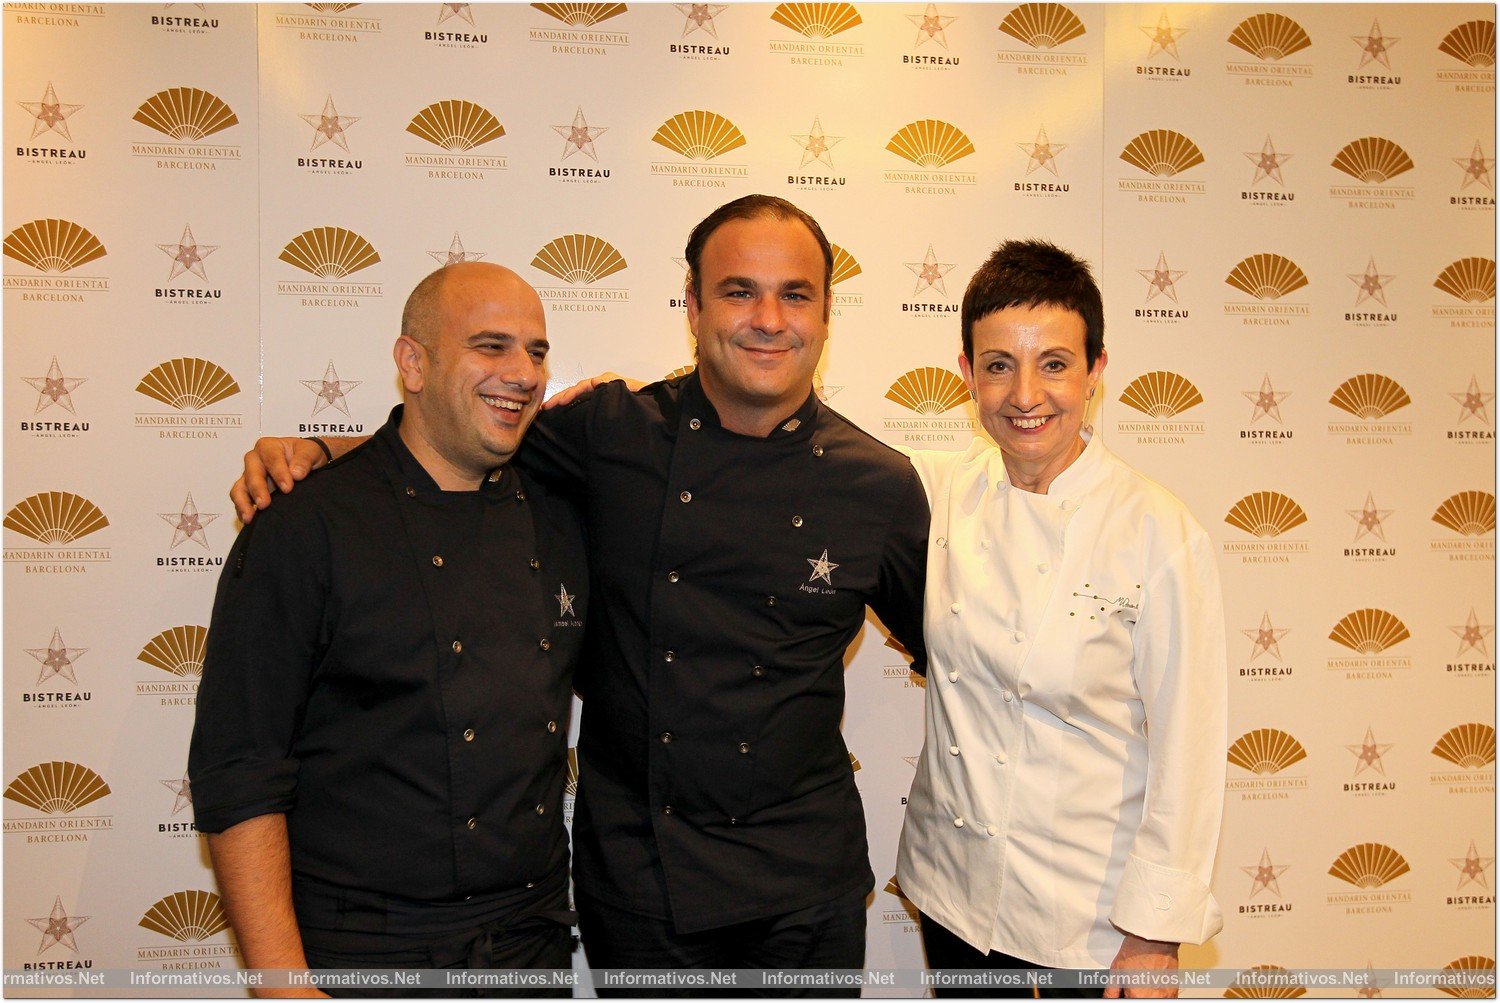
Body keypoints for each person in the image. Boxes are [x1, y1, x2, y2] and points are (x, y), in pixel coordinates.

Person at [230, 195, 930, 992]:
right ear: (694, 309)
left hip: (807, 890)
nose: (768, 317)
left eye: (795, 294)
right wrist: (319, 451)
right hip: (640, 886)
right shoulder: (609, 429)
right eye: (738, 291)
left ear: (827, 313)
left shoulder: (880, 482)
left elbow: (955, 652)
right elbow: (453, 437)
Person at [191, 262, 588, 997]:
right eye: (492, 345)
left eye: (536, 350)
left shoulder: (563, 510)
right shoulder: (304, 523)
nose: (523, 373)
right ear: (412, 362)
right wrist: (284, 986)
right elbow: (239, 770)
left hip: (527, 945)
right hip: (362, 951)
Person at [894, 241, 1227, 999]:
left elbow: (1191, 749)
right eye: (998, 364)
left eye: (1054, 363)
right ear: (966, 372)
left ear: (1097, 371)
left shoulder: (1159, 532)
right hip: (954, 892)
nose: (1024, 394)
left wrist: (1152, 936)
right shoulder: (940, 490)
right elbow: (809, 452)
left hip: (1088, 921)